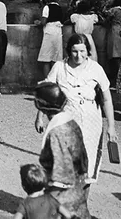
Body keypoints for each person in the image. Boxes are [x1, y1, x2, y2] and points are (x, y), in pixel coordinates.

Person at [38, 34, 117, 187]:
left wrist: (111, 127)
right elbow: (46, 93)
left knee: (86, 166)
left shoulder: (96, 69)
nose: (78, 56)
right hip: (66, 120)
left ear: (88, 51)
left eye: (82, 51)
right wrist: (39, 117)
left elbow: (107, 100)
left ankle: (80, 205)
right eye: (74, 51)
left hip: (91, 123)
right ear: (69, 51)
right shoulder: (60, 67)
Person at [32, 81, 91, 219]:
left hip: (65, 201)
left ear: (41, 105)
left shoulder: (57, 131)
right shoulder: (69, 121)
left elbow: (61, 176)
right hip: (77, 192)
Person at [37, 0, 65, 79]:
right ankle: (55, 79)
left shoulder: (46, 7)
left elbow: (44, 21)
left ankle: (48, 80)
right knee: (55, 58)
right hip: (58, 31)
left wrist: (38, 22)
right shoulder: (59, 8)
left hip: (49, 31)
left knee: (46, 58)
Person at [102, 0, 121, 86]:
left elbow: (105, 19)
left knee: (115, 55)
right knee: (117, 55)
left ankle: (117, 79)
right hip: (117, 31)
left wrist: (104, 6)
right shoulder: (120, 9)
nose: (109, 0)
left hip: (114, 32)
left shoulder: (114, 10)